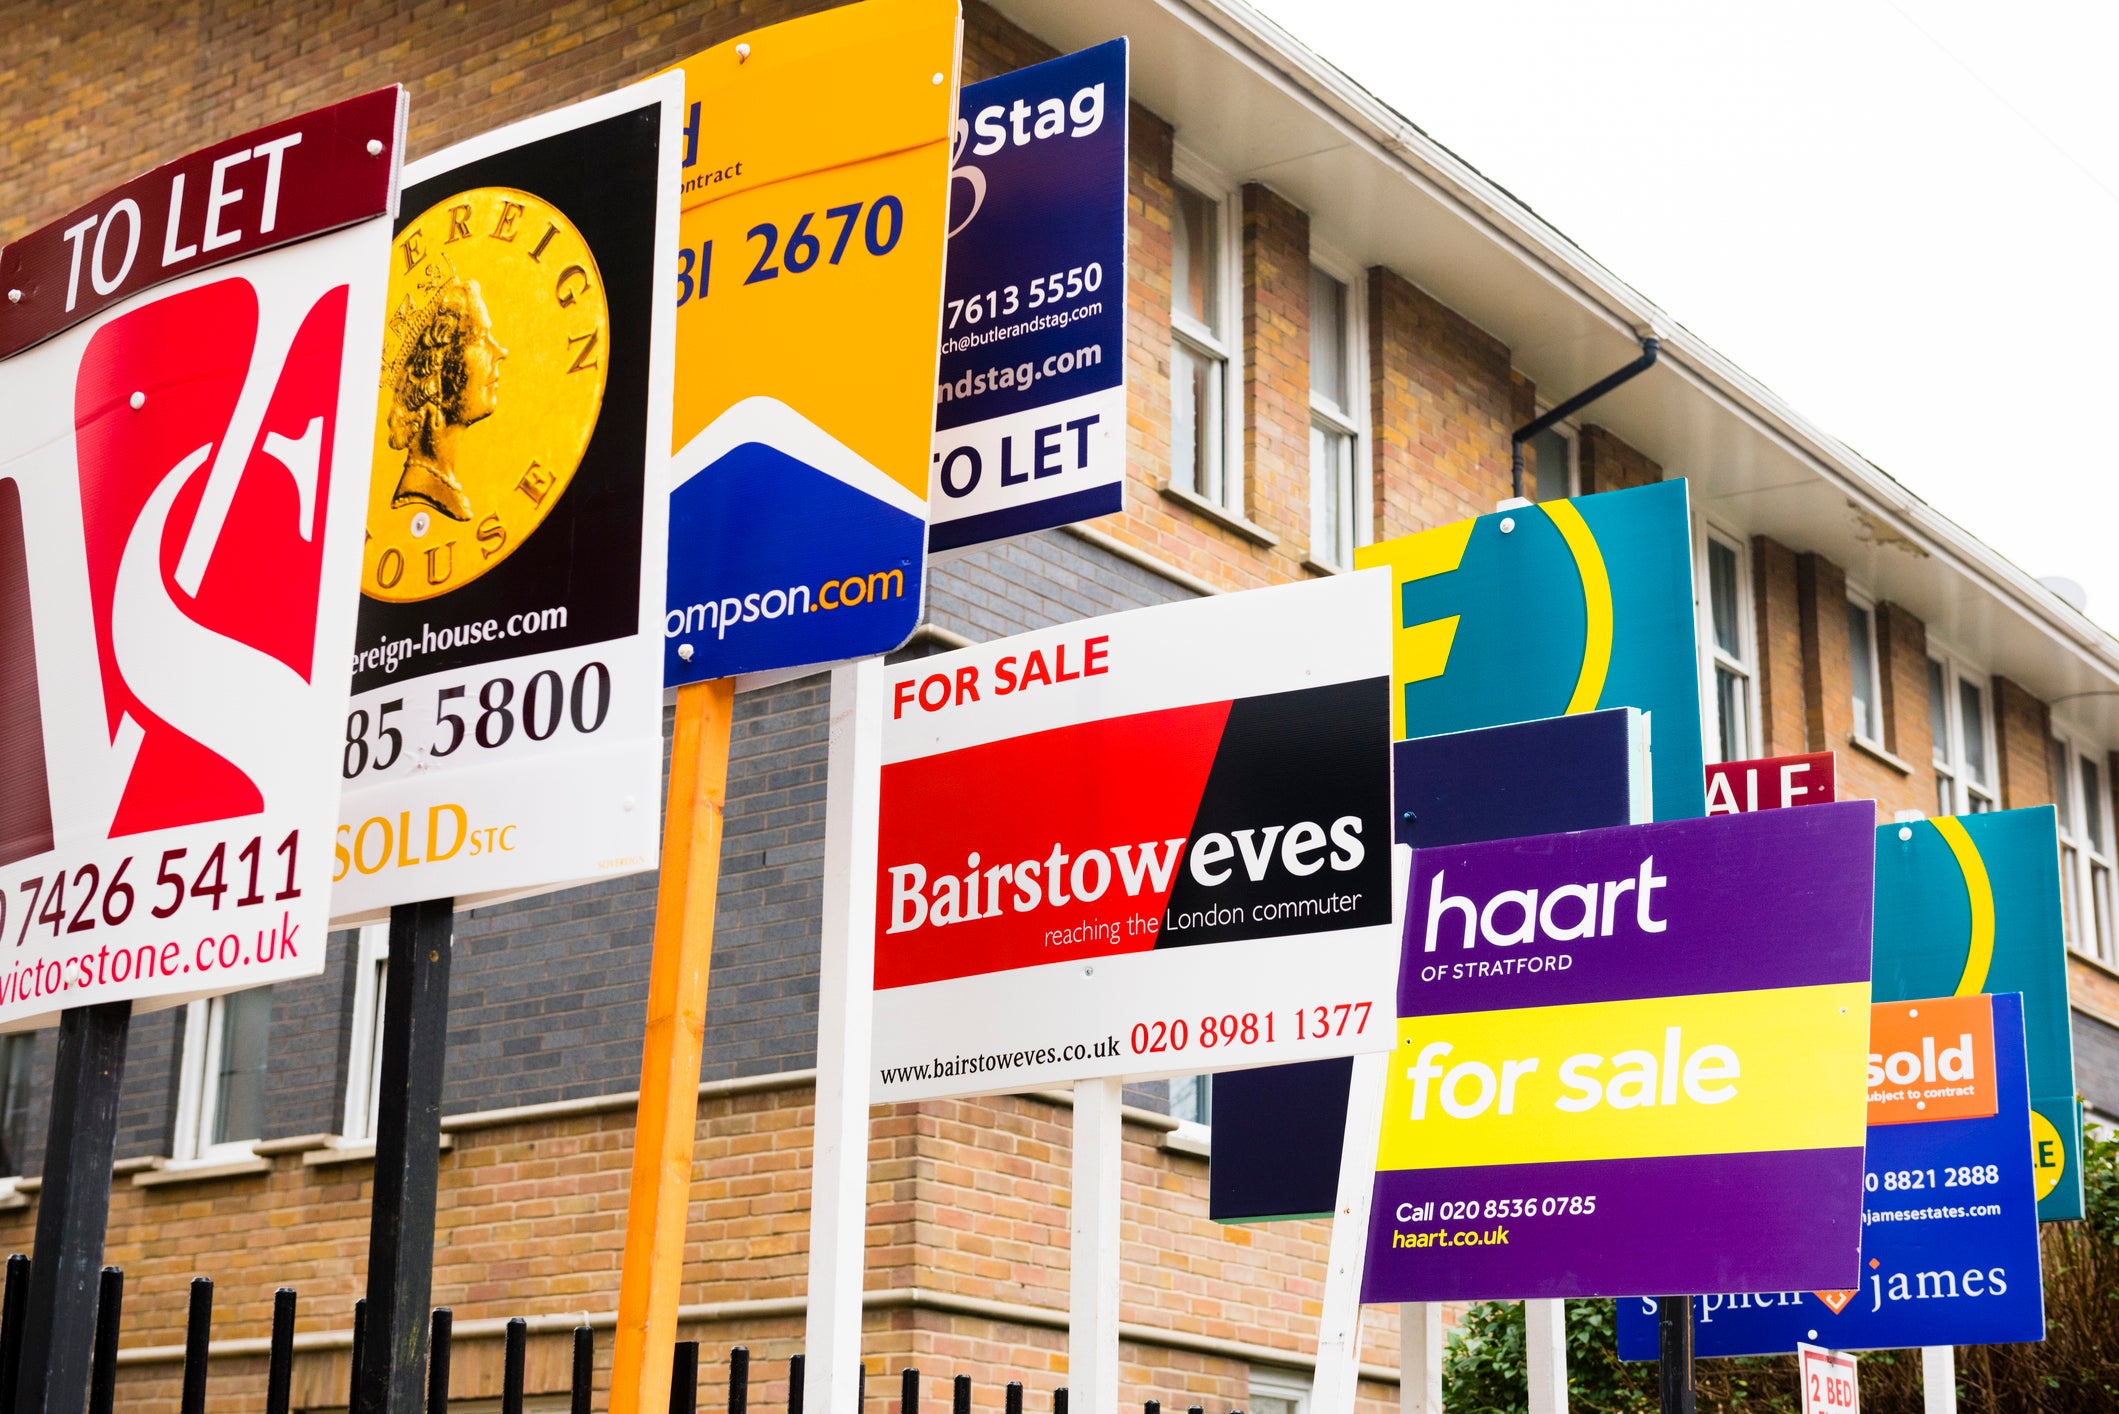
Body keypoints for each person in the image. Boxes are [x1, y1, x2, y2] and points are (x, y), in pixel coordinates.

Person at [384, 276, 506, 520]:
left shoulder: (448, 489)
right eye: (480, 338)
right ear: (437, 377)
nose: (501, 351)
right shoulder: (427, 493)